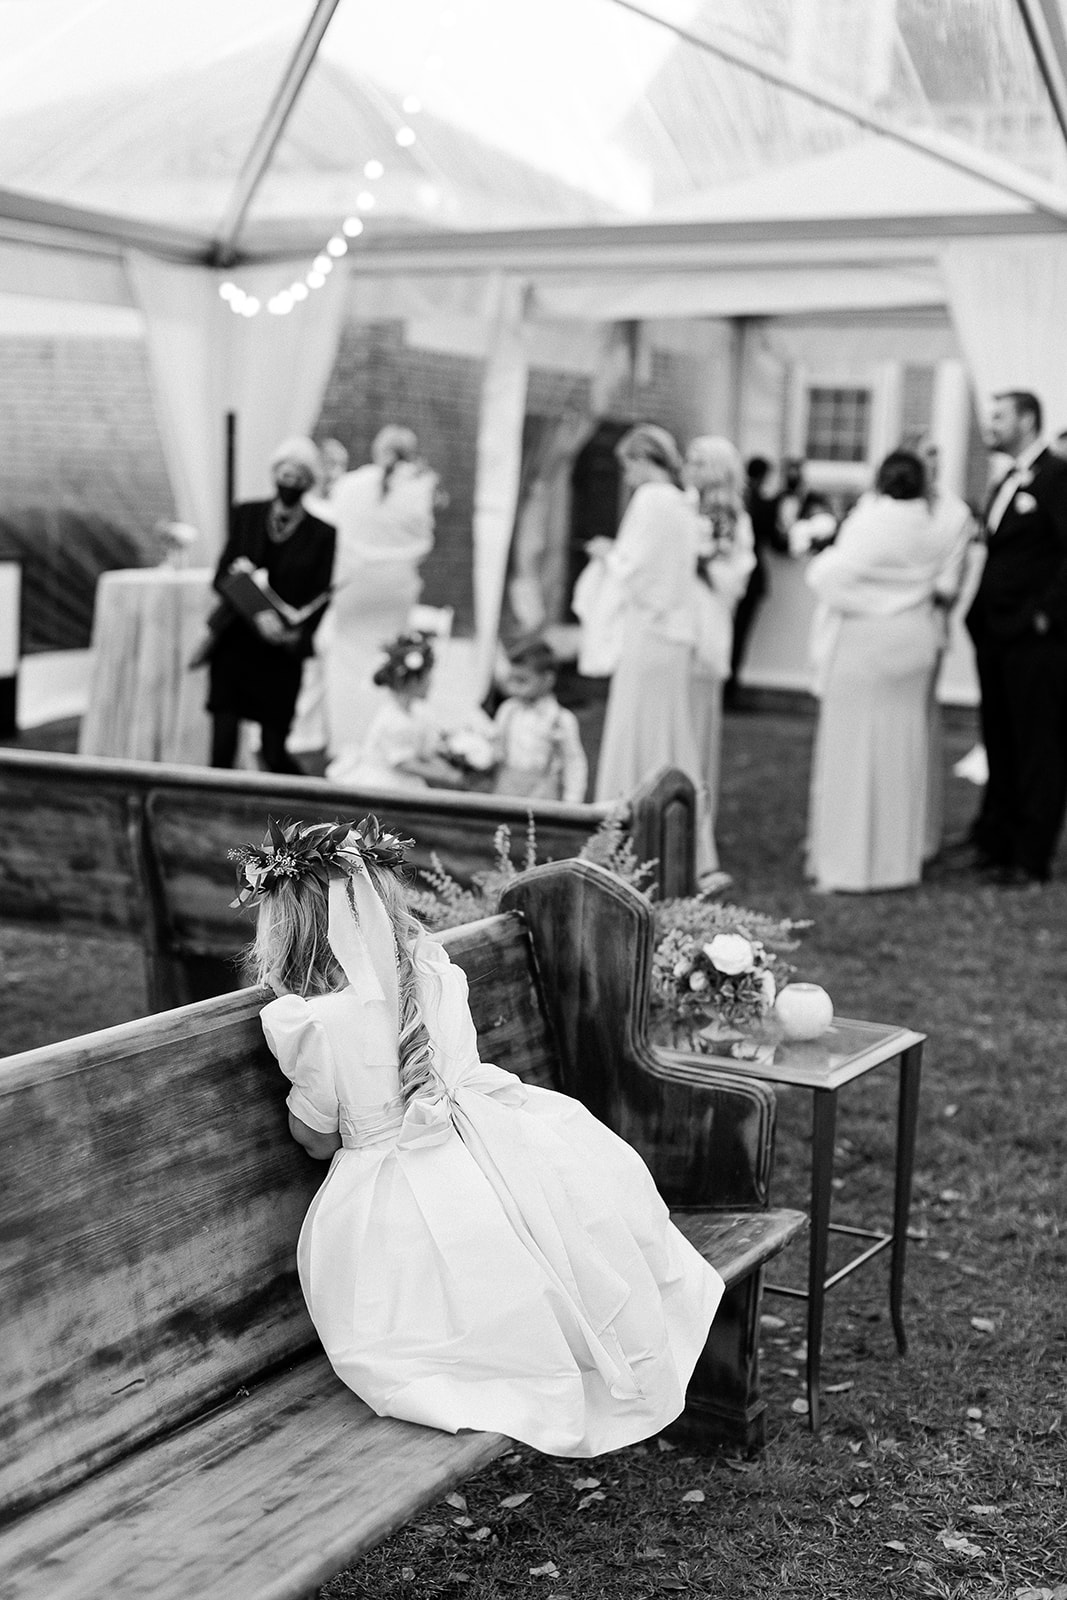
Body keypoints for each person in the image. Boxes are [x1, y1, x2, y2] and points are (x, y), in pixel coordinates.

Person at [240, 815, 724, 1457]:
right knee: (533, 1246)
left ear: (286, 928)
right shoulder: (435, 972)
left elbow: (317, 1139)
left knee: (431, 1294)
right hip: (492, 1145)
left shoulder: (312, 1022)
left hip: (398, 1191)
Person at [804, 449, 958, 893]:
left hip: (868, 645)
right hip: (913, 640)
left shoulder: (873, 520)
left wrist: (870, 603)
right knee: (900, 750)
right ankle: (897, 862)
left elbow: (827, 578)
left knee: (852, 754)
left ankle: (847, 866)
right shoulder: (932, 525)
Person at [592, 424, 716, 876]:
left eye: (628, 466)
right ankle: (678, 838)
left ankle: (623, 837)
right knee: (670, 734)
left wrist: (608, 555)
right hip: (674, 633)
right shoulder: (684, 502)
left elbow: (636, 567)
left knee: (635, 728)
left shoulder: (651, 500)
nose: (627, 478)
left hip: (648, 631)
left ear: (644, 459)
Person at [964, 390, 1067, 886]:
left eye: (999, 415)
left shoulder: (1058, 476)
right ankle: (996, 841)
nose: (990, 423)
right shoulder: (1006, 478)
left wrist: (1045, 614)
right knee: (999, 739)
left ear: (1026, 420)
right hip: (993, 634)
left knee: (1037, 745)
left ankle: (1030, 855)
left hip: (1035, 640)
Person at [206, 436, 335, 775]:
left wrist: (296, 635)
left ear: (309, 482)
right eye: (285, 475)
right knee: (222, 746)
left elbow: (320, 595)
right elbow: (221, 575)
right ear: (274, 473)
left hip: (279, 654)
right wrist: (257, 611)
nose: (289, 484)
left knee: (274, 752)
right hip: (236, 643)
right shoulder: (247, 515)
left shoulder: (322, 534)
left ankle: (305, 812)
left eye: (298, 478)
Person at [322, 426, 439, 770]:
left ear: (378, 450)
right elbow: (424, 537)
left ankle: (347, 743)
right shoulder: (421, 484)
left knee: (346, 661)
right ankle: (382, 738)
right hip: (396, 587)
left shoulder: (354, 483)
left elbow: (334, 525)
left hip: (354, 586)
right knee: (389, 658)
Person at [683, 437, 756, 834]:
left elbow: (724, 568)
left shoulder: (723, 512)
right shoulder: (686, 504)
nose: (689, 467)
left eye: (699, 461)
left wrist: (689, 558)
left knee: (694, 718)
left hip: (702, 618)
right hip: (686, 614)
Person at [325, 631, 457, 791]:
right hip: (386, 783)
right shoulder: (393, 718)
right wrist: (444, 775)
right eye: (426, 677)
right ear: (412, 681)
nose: (430, 683)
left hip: (406, 782)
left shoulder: (417, 714)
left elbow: (424, 752)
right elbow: (402, 763)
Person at [289, 438, 352, 764]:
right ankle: (298, 738)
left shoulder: (343, 507)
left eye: (339, 466)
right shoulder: (306, 508)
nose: (333, 473)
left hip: (333, 597)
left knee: (325, 666)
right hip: (306, 596)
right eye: (328, 465)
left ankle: (316, 738)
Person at [491, 636, 588, 803]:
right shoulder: (508, 710)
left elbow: (574, 764)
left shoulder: (561, 719)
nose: (514, 687)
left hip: (542, 798)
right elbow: (495, 747)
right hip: (505, 794)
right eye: (512, 679)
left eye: (522, 680)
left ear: (547, 679)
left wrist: (572, 801)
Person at [724, 456, 779, 706]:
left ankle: (725, 686)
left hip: (736, 576)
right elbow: (774, 538)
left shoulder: (737, 499)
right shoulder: (761, 504)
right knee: (738, 635)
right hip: (748, 577)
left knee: (730, 632)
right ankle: (729, 688)